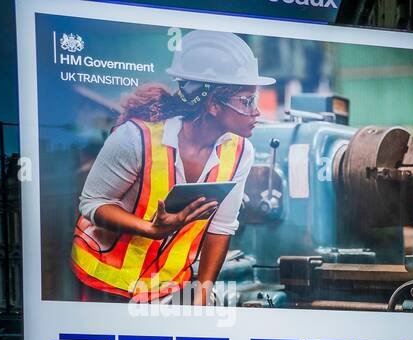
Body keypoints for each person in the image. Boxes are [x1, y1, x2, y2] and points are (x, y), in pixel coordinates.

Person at [72, 30, 273, 304]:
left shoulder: (239, 152)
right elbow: (92, 203)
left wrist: (201, 295)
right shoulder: (135, 138)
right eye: (247, 101)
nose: (256, 112)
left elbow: (221, 228)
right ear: (213, 104)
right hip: (104, 284)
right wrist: (150, 229)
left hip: (165, 288)